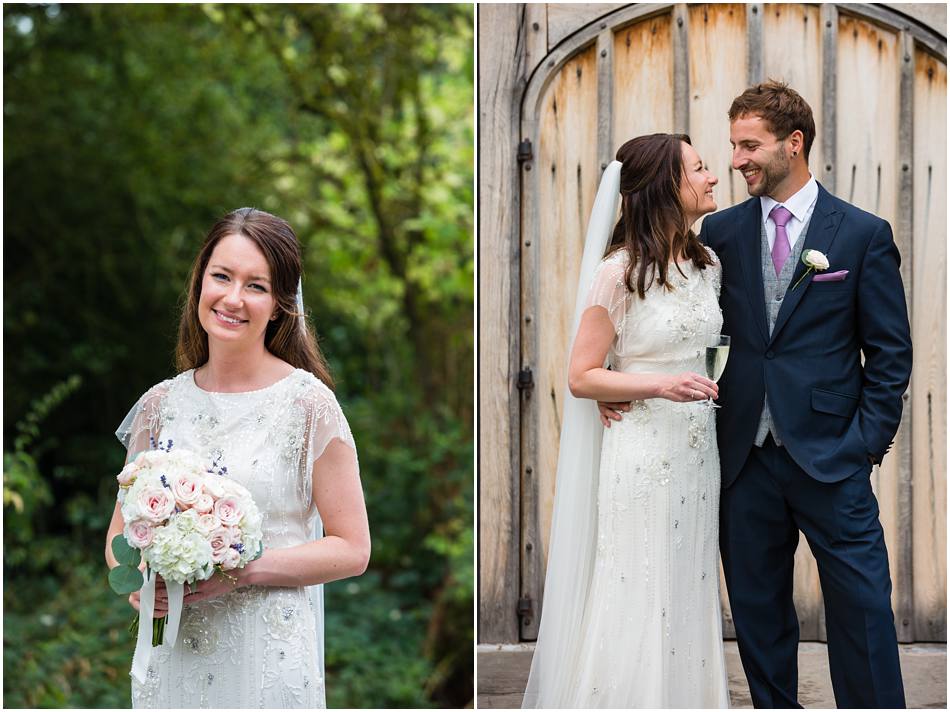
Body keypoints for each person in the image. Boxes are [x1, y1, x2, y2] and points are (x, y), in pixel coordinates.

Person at [602, 81, 912, 708]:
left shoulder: (861, 234)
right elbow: (654, 300)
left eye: (750, 146)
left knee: (863, 612)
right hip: (741, 461)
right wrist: (615, 379)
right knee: (759, 618)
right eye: (732, 145)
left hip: (833, 458)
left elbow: (889, 355)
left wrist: (863, 446)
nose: (737, 160)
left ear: (793, 145)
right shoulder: (716, 234)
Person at [104, 208, 370, 708]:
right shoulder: (160, 407)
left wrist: (241, 570)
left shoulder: (308, 406)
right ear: (200, 282)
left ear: (279, 305)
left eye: (256, 286)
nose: (232, 298)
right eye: (221, 276)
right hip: (174, 658)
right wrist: (141, 585)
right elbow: (120, 535)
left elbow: (353, 549)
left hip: (265, 659)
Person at [523, 134, 729, 708]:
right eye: (700, 168)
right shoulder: (619, 272)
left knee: (687, 585)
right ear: (667, 185)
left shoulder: (706, 264)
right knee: (638, 587)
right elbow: (582, 375)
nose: (713, 177)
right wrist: (657, 384)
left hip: (696, 451)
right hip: (641, 453)